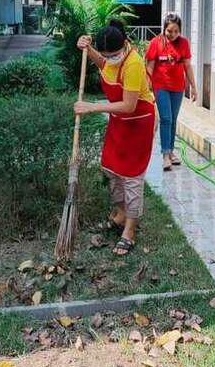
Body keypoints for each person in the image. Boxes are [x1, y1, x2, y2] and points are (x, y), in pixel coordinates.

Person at [74, 19, 156, 256]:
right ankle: (121, 214)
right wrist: (88, 49)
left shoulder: (133, 63)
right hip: (119, 122)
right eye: (106, 55)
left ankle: (129, 230)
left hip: (138, 123)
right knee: (111, 168)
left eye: (113, 55)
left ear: (124, 45)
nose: (109, 59)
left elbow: (129, 106)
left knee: (131, 176)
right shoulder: (111, 58)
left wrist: (92, 107)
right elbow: (105, 65)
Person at [146, 13, 197, 170]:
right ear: (164, 29)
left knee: (173, 119)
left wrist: (194, 87)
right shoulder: (156, 43)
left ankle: (171, 150)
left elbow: (187, 66)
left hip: (178, 87)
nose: (173, 34)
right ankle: (165, 155)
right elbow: (150, 66)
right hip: (160, 86)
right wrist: (147, 87)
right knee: (166, 118)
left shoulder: (184, 43)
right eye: (169, 31)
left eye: (176, 31)